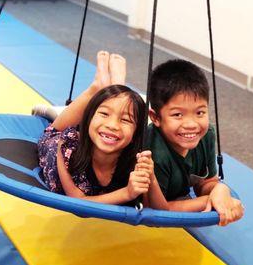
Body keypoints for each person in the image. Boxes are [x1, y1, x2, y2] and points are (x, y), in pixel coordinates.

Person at [36, 51, 169, 207]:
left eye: (126, 119)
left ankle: (113, 89)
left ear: (135, 133)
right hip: (58, 142)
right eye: (104, 114)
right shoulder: (67, 146)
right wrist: (127, 193)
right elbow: (78, 202)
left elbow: (157, 210)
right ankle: (98, 86)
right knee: (52, 131)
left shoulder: (136, 158)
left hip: (98, 134)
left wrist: (150, 178)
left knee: (113, 106)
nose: (113, 125)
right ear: (88, 118)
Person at [147, 58, 244, 225]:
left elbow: (205, 182)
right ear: (155, 118)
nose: (191, 124)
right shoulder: (154, 150)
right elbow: (155, 210)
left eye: (200, 113)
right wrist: (206, 201)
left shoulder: (206, 135)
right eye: (178, 114)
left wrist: (219, 189)